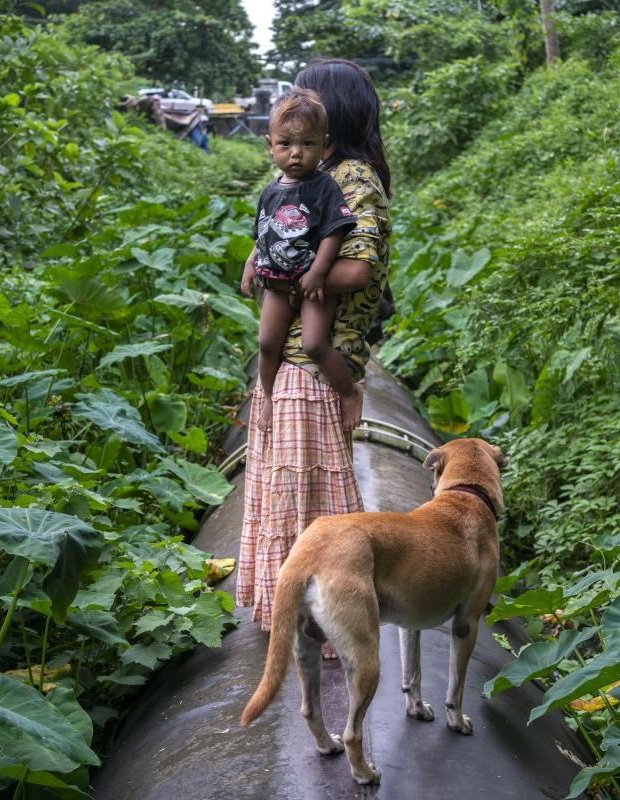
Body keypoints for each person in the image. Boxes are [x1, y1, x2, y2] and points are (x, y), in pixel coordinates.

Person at [236, 58, 392, 650]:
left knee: (306, 496)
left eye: (309, 97)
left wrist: (290, 268)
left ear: (333, 113)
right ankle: (297, 611)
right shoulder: (305, 179)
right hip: (293, 358)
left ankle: (324, 616)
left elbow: (361, 266)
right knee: (284, 488)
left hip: (313, 360)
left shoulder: (351, 180)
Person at [241, 88, 361, 434]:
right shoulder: (271, 190)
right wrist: (251, 264)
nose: (296, 154)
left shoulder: (323, 187)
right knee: (266, 343)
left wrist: (318, 274)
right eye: (285, 144)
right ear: (270, 145)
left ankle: (349, 392)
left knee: (313, 344)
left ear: (324, 145)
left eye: (307, 144)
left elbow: (334, 232)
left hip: (311, 286)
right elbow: (264, 233)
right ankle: (266, 398)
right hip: (276, 284)